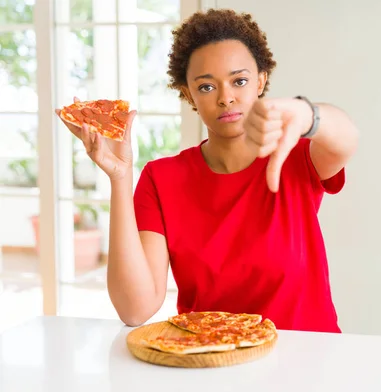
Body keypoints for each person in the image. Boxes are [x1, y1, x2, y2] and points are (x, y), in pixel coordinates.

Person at [56, 8, 359, 333]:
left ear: (261, 81)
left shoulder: (295, 156)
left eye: (239, 81)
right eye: (206, 87)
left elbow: (345, 138)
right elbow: (134, 309)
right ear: (188, 94)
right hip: (208, 363)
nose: (226, 98)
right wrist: (120, 177)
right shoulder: (162, 179)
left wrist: (306, 113)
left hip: (307, 362)